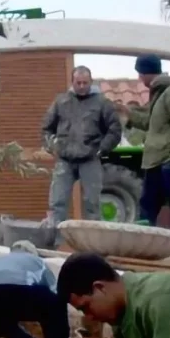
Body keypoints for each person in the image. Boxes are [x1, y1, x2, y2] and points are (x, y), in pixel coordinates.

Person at [117, 53, 170, 247]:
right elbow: (149, 124)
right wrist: (128, 113)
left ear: (146, 72)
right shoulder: (159, 94)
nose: (139, 79)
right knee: (147, 207)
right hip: (153, 161)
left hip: (169, 161)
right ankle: (146, 247)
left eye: (140, 74)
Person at [41, 65, 122, 224]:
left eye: (85, 82)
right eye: (78, 83)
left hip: (90, 159)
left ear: (91, 82)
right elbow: (46, 128)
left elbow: (115, 130)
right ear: (72, 82)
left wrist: (102, 149)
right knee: (57, 203)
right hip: (65, 160)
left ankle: (93, 245)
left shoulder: (102, 103)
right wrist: (53, 146)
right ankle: (54, 242)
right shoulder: (61, 101)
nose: (82, 86)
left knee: (92, 205)